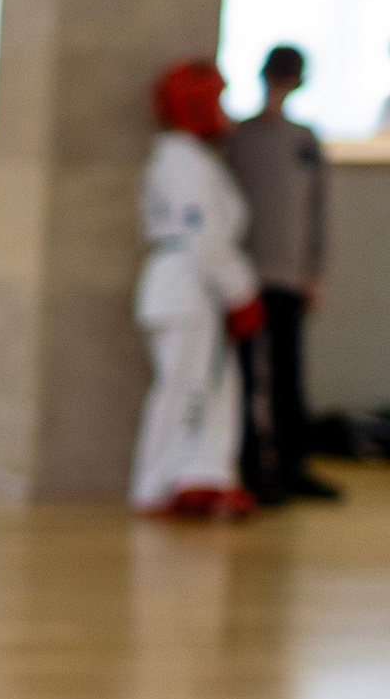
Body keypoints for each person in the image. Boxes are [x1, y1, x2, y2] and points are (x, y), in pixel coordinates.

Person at [131, 56, 259, 520]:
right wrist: (240, 290)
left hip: (189, 287)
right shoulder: (182, 163)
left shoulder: (187, 160)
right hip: (185, 286)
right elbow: (202, 237)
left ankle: (198, 477)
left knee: (204, 388)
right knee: (183, 389)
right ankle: (159, 484)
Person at [226, 42, 336, 504]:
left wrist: (315, 271)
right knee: (248, 375)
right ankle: (251, 467)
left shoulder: (305, 140)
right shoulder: (239, 138)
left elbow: (317, 212)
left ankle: (293, 464)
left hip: (289, 276)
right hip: (246, 274)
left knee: (290, 374)